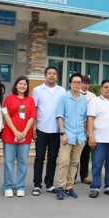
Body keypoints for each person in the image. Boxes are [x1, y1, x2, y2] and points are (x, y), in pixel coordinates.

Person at [32, 67, 66, 196]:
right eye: (49, 74)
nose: (52, 76)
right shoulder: (37, 90)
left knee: (52, 158)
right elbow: (33, 110)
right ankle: (37, 184)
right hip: (41, 129)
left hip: (56, 130)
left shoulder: (62, 90)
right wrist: (33, 128)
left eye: (54, 74)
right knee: (39, 157)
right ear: (45, 76)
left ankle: (49, 184)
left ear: (57, 76)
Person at [1, 76, 36, 197]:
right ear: (16, 85)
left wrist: (25, 132)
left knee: (23, 162)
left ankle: (20, 186)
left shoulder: (30, 100)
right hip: (10, 134)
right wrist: (15, 131)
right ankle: (8, 186)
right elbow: (6, 115)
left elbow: (32, 117)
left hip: (25, 136)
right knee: (9, 161)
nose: (22, 86)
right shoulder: (8, 98)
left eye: (25, 84)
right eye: (20, 83)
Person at [55, 73, 88, 200]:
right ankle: (61, 187)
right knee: (63, 162)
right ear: (70, 84)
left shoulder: (83, 99)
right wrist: (62, 133)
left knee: (74, 163)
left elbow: (84, 118)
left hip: (80, 136)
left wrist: (85, 135)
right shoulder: (64, 98)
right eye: (75, 82)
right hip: (67, 136)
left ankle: (69, 187)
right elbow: (60, 116)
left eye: (79, 82)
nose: (77, 84)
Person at [78, 76, 97, 184]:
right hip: (77, 128)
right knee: (75, 155)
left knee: (85, 154)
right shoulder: (75, 94)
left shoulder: (93, 96)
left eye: (87, 83)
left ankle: (84, 176)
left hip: (88, 129)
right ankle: (72, 176)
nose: (85, 85)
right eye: (83, 83)